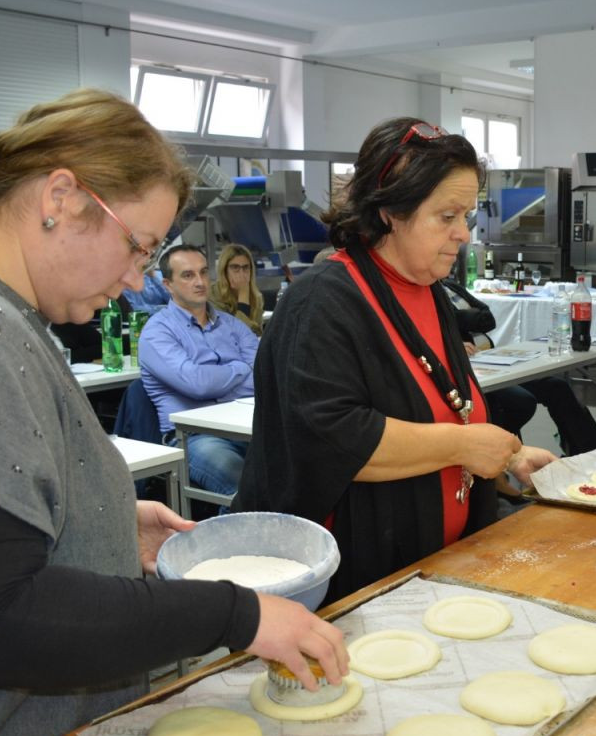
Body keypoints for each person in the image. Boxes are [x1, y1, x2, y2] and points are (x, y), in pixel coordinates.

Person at [0, 89, 347, 736]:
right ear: (59, 197)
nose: (133, 280)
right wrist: (234, 614)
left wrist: (101, 523)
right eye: (137, 246)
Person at [236, 118, 556, 600]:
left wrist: (509, 456)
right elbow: (333, 437)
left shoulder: (427, 290)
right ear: (389, 212)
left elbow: (442, 406)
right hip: (355, 582)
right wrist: (464, 445)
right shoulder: (322, 302)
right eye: (447, 216)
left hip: (437, 564)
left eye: (466, 215)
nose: (463, 234)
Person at [139, 244, 259, 508]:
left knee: (300, 471)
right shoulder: (157, 332)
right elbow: (198, 384)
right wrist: (241, 368)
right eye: (188, 275)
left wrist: (220, 378)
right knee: (245, 489)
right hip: (194, 437)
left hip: (245, 427)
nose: (200, 282)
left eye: (204, 272)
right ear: (168, 285)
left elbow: (263, 371)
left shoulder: (231, 324)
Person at [441, 277, 596, 457]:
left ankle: (593, 454)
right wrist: (468, 319)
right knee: (522, 401)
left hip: (492, 361)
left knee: (557, 387)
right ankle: (497, 452)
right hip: (471, 372)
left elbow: (488, 318)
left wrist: (462, 318)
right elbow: (448, 320)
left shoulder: (451, 286)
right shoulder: (430, 295)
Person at [211, 242, 264, 336]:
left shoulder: (256, 297)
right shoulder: (212, 296)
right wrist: (243, 296)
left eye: (246, 267)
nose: (241, 273)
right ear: (224, 271)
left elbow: (257, 334)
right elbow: (233, 336)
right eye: (235, 267)